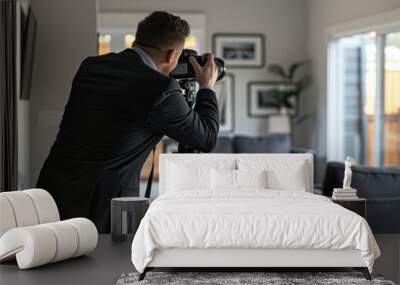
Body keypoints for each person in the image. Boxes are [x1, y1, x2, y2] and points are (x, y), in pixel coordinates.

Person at [36, 11, 219, 233]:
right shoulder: (161, 90)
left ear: (136, 41)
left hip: (53, 190)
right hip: (106, 207)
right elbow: (206, 138)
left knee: (51, 258)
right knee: (110, 266)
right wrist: (207, 87)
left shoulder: (91, 66)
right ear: (172, 56)